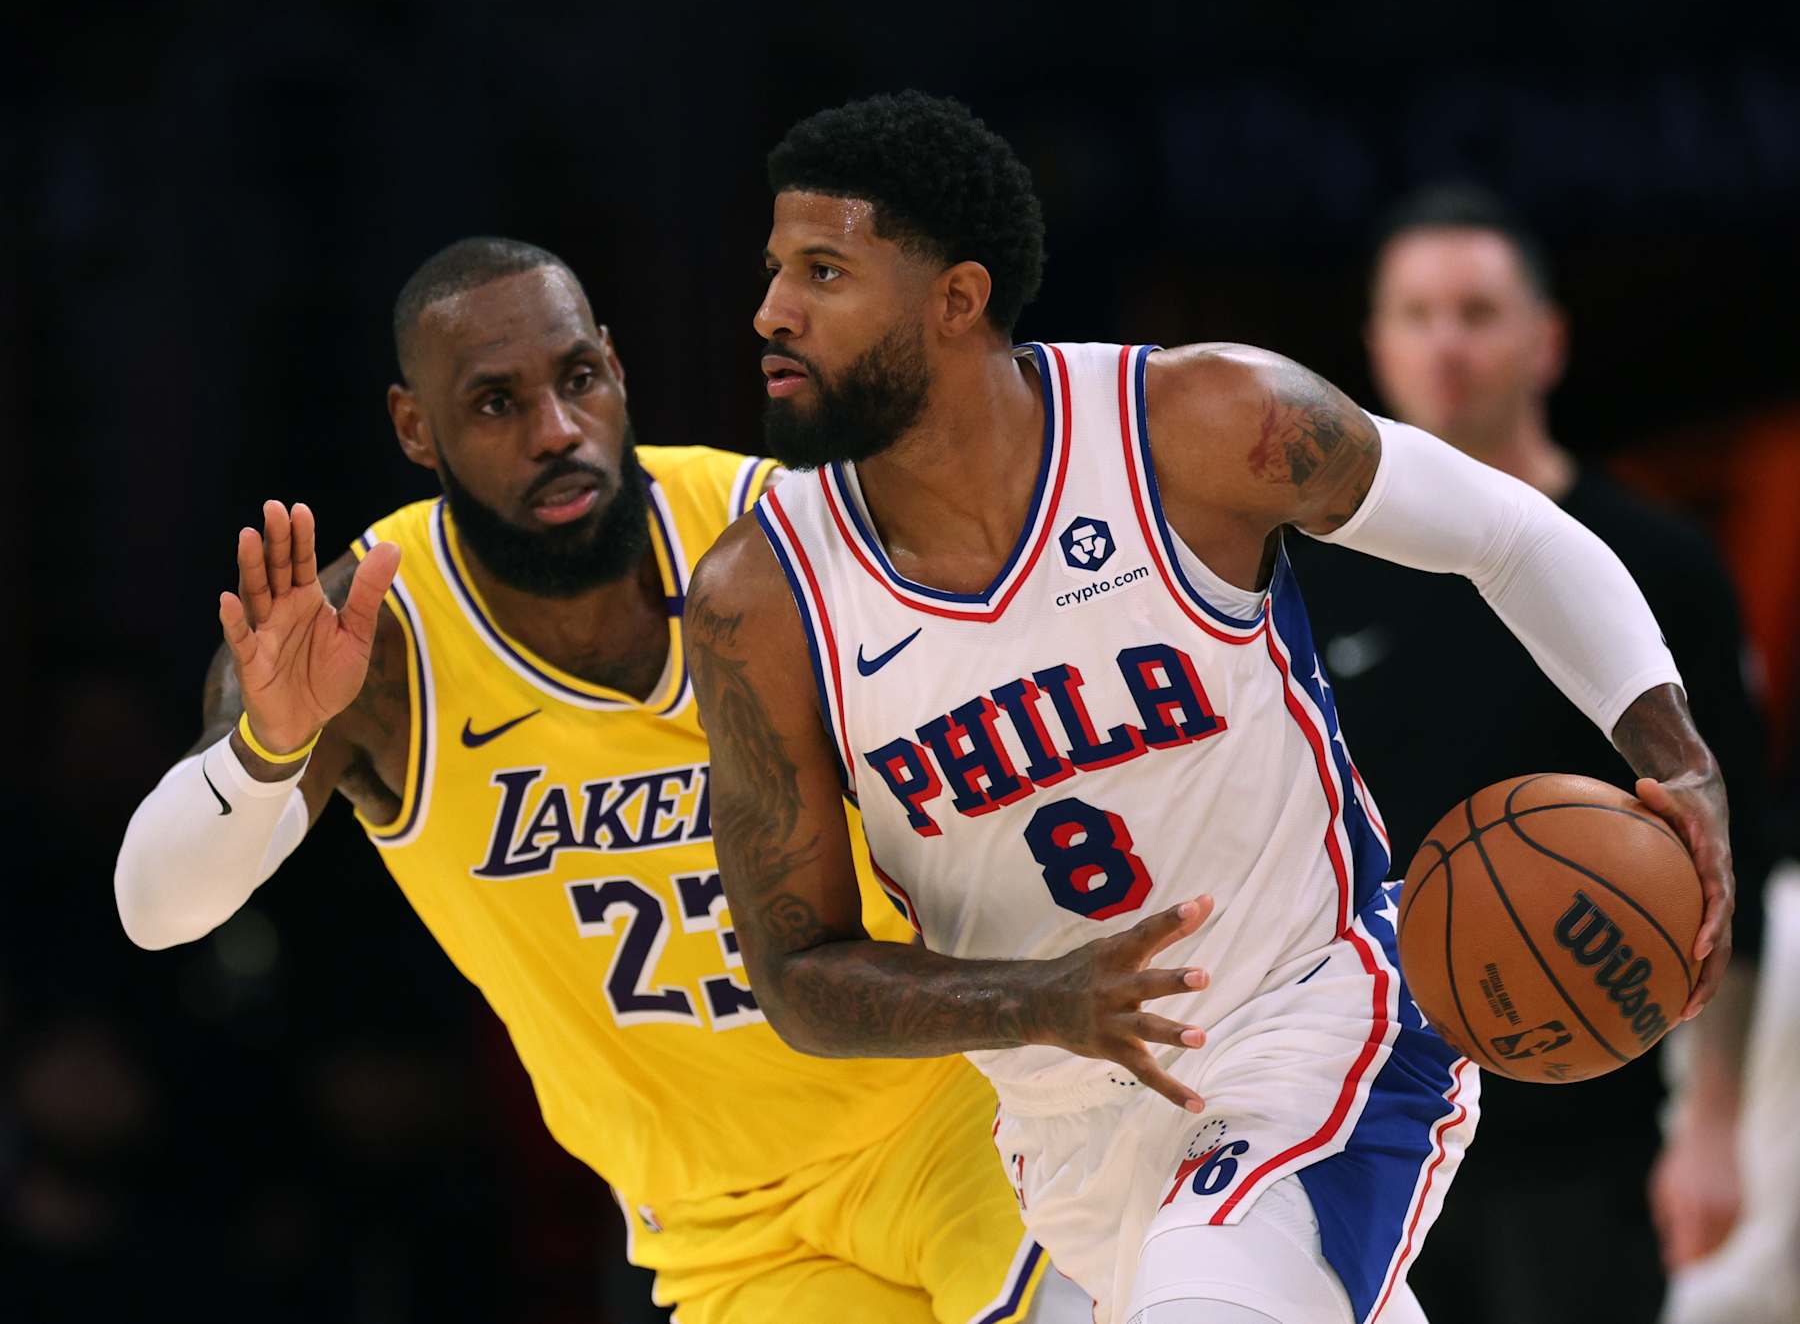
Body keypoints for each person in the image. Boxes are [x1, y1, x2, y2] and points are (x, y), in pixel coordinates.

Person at [684, 92, 1736, 1324]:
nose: (771, 311)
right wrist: (1033, 1003)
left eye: (823, 271)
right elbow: (798, 977)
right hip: (1066, 1129)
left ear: (955, 299)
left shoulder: (1194, 424)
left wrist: (1678, 757)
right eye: (773, 271)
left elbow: (1510, 533)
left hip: (1314, 1022)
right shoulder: (759, 597)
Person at [112, 237, 1085, 1324]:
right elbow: (158, 910)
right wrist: (267, 750)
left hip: (958, 1115)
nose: (556, 432)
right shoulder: (371, 644)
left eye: (576, 378)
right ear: (413, 429)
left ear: (617, 370)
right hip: (722, 1223)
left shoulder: (780, 532)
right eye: (494, 403)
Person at [1284, 185, 1772, 1324]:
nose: (1445, 343)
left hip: (1578, 1110)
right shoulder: (1299, 571)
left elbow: (1741, 845)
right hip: (1356, 1104)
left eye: (1475, 311)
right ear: (1375, 347)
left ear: (1544, 340)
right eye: (1416, 313)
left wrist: (1712, 1126)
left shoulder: (1654, 561)